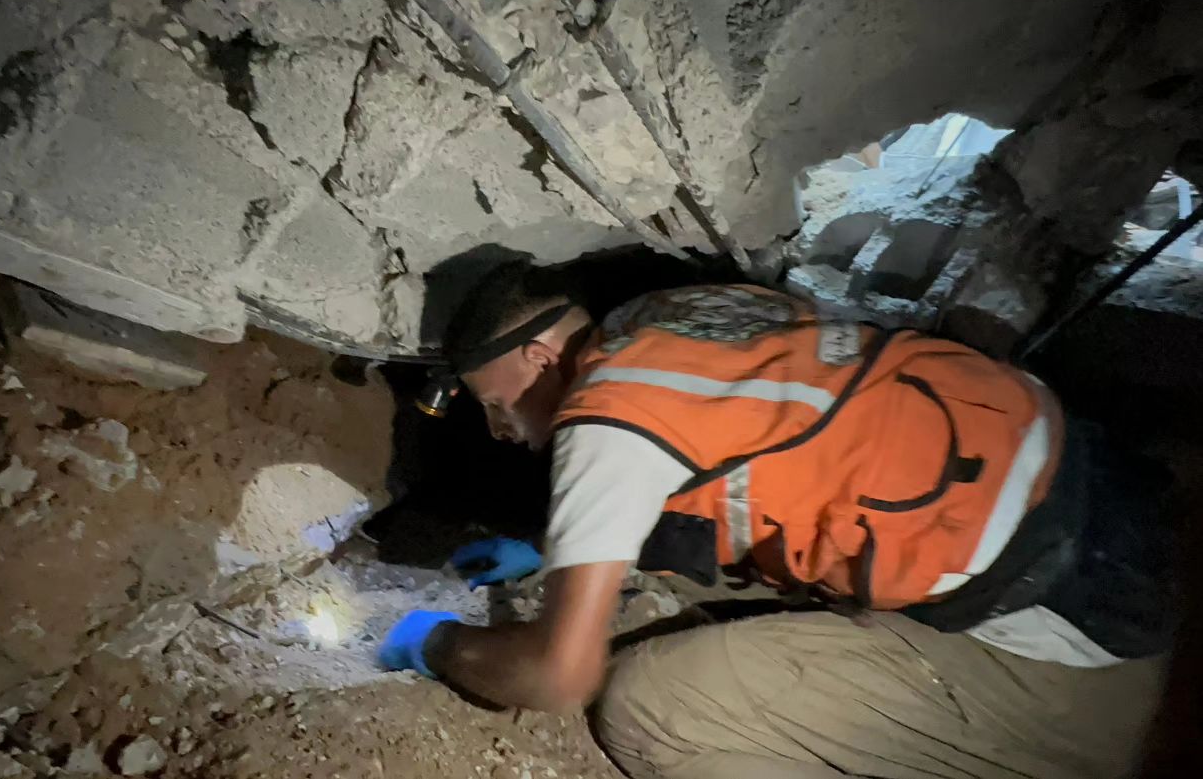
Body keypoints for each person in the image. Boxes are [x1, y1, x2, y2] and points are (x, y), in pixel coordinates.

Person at [378, 262, 1177, 779]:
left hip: (1092, 664)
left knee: (651, 706)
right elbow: (750, 457)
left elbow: (559, 675)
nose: (500, 430)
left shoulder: (603, 416)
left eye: (495, 405)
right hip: (1119, 514)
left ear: (542, 358)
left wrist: (438, 641)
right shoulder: (676, 312)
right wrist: (551, 546)